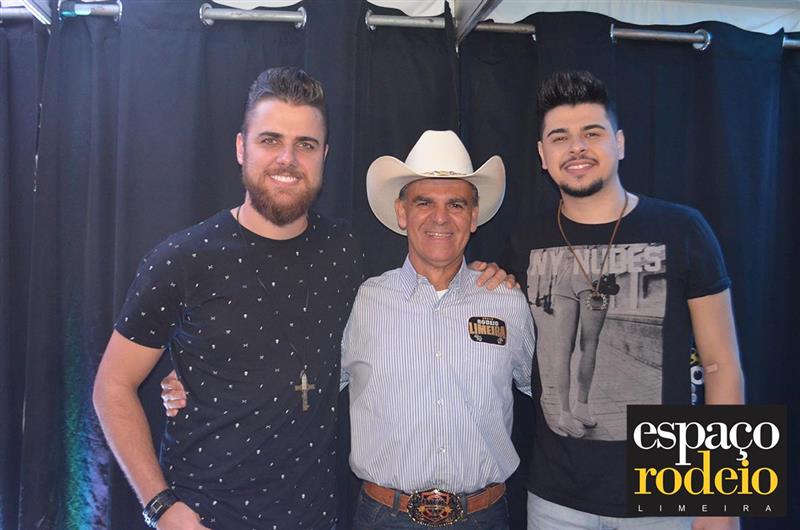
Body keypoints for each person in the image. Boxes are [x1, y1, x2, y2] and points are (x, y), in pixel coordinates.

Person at [94, 67, 510, 530]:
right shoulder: (182, 258)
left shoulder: (347, 252)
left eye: (305, 145)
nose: (287, 159)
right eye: (270, 140)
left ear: (324, 156)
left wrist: (484, 276)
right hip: (206, 518)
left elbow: (433, 262)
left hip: (317, 518)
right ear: (241, 147)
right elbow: (112, 387)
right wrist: (160, 507)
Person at [505, 70, 744, 530]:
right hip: (555, 500)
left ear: (619, 144)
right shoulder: (523, 240)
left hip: (665, 492)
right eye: (560, 137)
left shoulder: (683, 228)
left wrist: (724, 500)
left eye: (592, 133)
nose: (576, 147)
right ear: (542, 156)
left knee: (590, 347)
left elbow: (722, 365)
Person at [342, 130, 536, 529]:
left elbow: (552, 399)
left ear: (474, 216)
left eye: (456, 204)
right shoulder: (362, 302)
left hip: (483, 517)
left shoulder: (507, 301)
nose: (440, 217)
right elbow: (308, 394)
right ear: (402, 213)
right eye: (424, 202)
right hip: (385, 517)